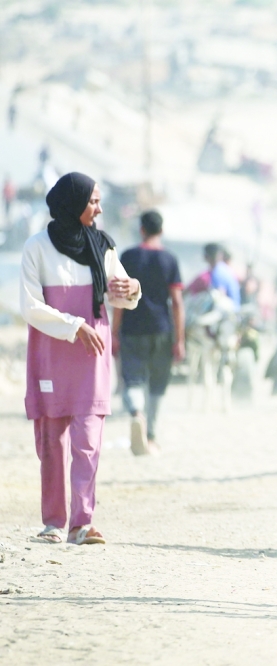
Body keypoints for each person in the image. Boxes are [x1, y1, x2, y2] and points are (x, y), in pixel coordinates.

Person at [20, 172, 141, 546]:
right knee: (51, 442)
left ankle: (82, 523)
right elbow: (30, 305)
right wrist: (74, 326)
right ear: (73, 203)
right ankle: (54, 523)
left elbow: (121, 294)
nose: (100, 209)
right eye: (93, 201)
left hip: (92, 355)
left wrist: (131, 289)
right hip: (52, 356)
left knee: (88, 440)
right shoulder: (37, 247)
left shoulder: (103, 246)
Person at [115, 210, 184, 455]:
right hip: (162, 329)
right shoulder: (170, 260)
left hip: (132, 328)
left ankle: (136, 413)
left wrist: (114, 333)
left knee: (132, 379)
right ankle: (151, 436)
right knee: (157, 385)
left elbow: (118, 297)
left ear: (141, 230)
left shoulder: (128, 256)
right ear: (161, 231)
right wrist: (180, 339)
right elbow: (176, 302)